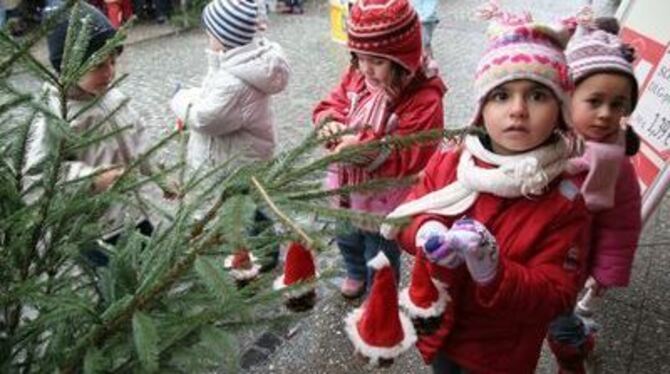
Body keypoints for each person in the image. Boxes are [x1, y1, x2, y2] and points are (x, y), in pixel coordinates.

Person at [381, 3, 591, 372]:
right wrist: (427, 230)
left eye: (538, 95)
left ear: (560, 110)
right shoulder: (452, 161)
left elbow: (557, 294)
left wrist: (493, 269)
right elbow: (409, 213)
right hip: (438, 331)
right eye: (501, 95)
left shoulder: (566, 201)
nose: (518, 110)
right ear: (482, 108)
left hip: (500, 355)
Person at [313, 0, 447, 299]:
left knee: (380, 253)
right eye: (358, 57)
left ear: (402, 60)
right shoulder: (358, 76)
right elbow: (332, 103)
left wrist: (365, 150)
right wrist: (329, 122)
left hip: (385, 198)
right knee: (346, 236)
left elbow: (413, 150)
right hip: (346, 188)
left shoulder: (422, 97)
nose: (365, 68)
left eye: (377, 61)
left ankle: (379, 297)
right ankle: (354, 272)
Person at [25, 2, 155, 266]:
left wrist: (158, 174)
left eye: (113, 60)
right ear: (68, 66)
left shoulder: (114, 94)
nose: (110, 72)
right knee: (118, 290)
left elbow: (138, 135)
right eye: (98, 65)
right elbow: (39, 175)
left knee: (152, 270)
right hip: (97, 229)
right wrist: (92, 179)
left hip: (134, 211)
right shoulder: (54, 115)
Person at [547, 16, 642, 374]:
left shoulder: (614, 163)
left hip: (568, 264)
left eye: (617, 105)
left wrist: (605, 270)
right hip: (524, 258)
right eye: (595, 101)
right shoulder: (541, 140)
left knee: (559, 323)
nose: (606, 114)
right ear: (566, 96)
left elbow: (622, 223)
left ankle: (573, 355)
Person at [170, 0, 290, 270]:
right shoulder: (238, 65)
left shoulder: (234, 81)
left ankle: (266, 254)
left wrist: (179, 98)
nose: (207, 40)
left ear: (224, 39)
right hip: (240, 155)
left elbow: (204, 117)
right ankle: (254, 249)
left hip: (236, 162)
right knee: (246, 207)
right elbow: (212, 94)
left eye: (210, 35)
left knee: (247, 211)